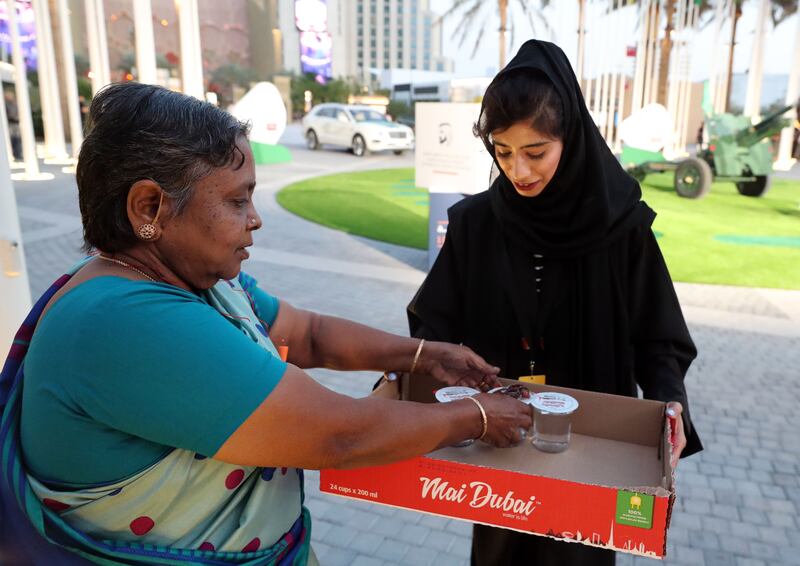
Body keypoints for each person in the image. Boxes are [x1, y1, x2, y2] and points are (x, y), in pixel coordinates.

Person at [0, 82, 533, 565]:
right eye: (237, 199)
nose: (255, 218)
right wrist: (476, 417)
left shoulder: (194, 281)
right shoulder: (122, 322)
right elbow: (337, 436)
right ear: (149, 208)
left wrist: (424, 355)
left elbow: (307, 335)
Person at [407, 40, 703, 566]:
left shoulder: (624, 228)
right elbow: (431, 323)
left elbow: (659, 338)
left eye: (535, 151)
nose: (518, 171)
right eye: (502, 151)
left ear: (571, 137)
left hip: (590, 454)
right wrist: (445, 383)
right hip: (498, 444)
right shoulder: (476, 223)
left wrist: (669, 404)